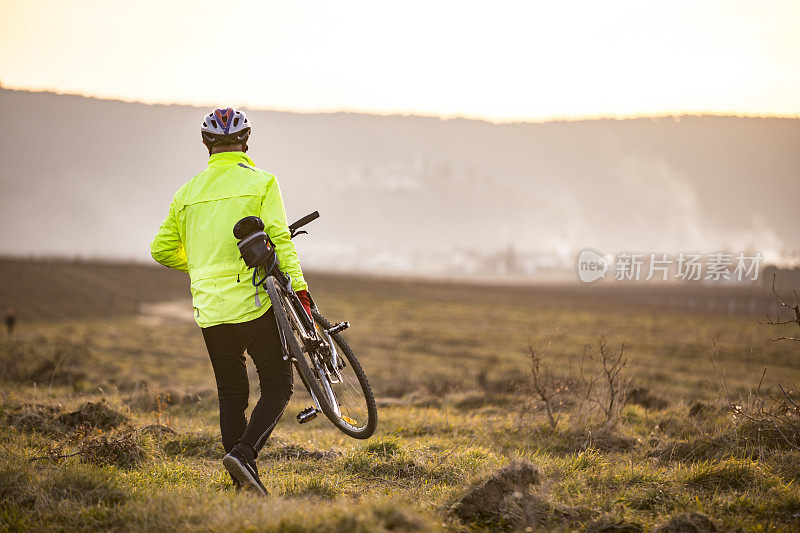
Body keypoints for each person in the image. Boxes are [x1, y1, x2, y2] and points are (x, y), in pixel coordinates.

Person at [150, 107, 313, 496]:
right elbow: (281, 241)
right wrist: (301, 289)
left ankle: (241, 484)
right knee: (277, 386)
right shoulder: (261, 182)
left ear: (206, 144)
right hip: (254, 303)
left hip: (210, 310)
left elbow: (160, 250)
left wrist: (201, 266)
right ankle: (244, 454)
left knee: (232, 395)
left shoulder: (186, 193)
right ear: (246, 142)